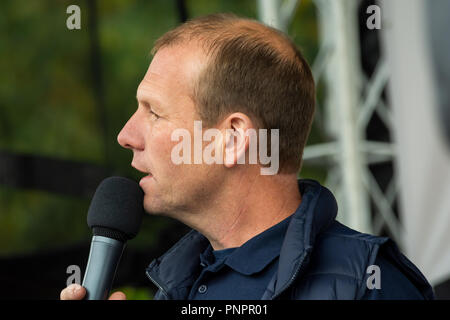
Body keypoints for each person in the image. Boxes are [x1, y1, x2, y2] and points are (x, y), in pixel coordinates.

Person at [61, 13, 434, 300]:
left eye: (154, 113)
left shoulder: (367, 284)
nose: (126, 136)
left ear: (233, 137)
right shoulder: (179, 283)